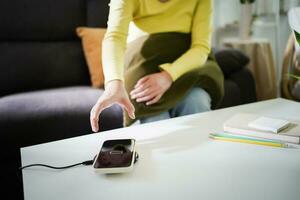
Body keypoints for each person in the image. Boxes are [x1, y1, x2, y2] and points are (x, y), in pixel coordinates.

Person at [90, 0, 224, 132]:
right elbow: (115, 37)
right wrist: (114, 83)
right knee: (154, 120)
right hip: (143, 70)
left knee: (197, 102)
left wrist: (168, 76)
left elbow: (200, 48)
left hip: (187, 70)